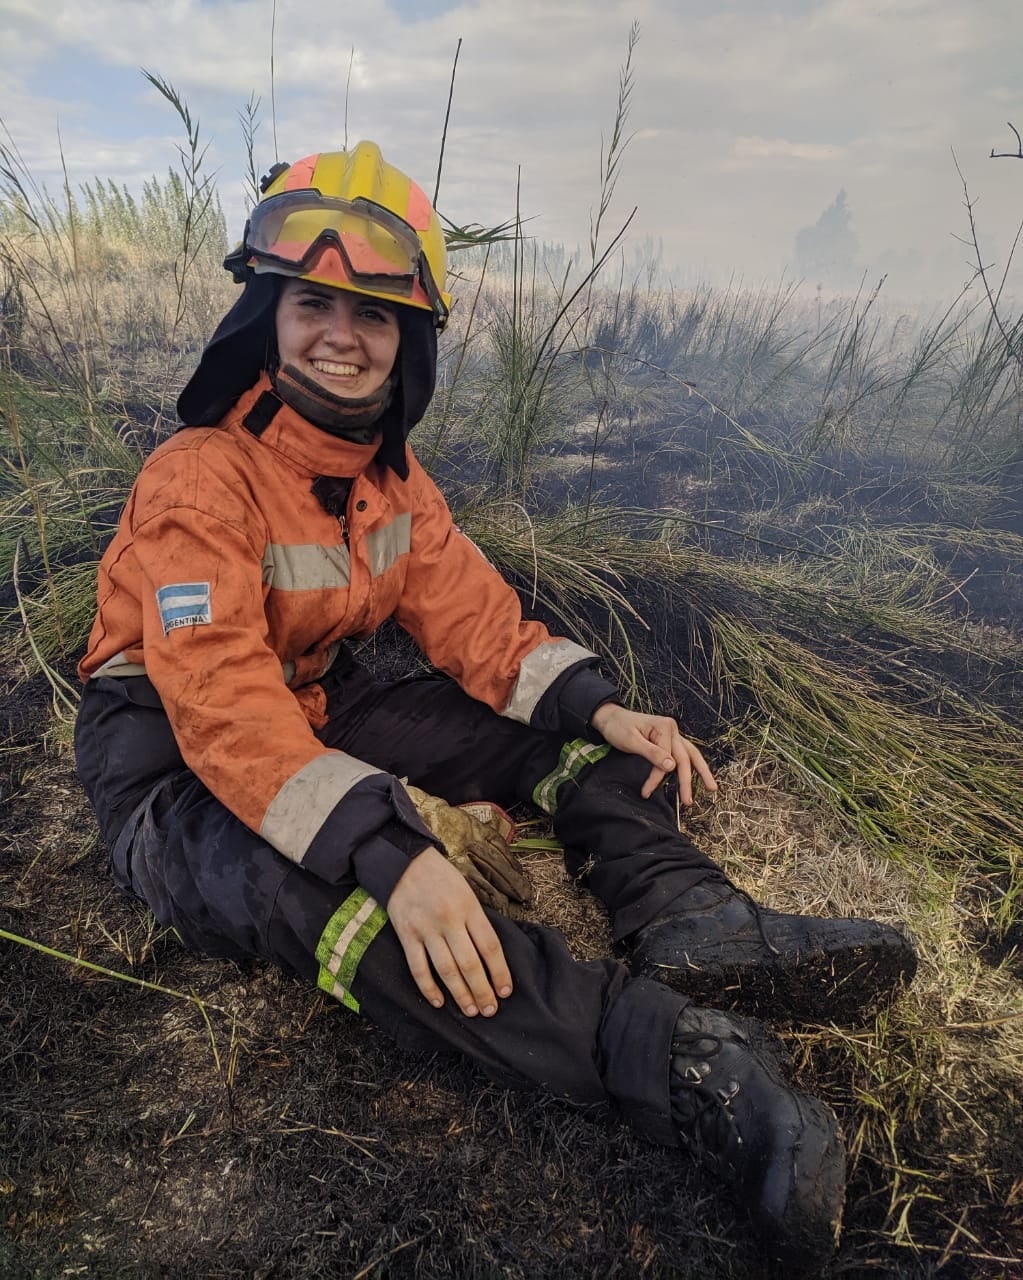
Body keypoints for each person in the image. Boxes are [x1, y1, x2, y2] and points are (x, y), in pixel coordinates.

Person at [73, 142, 916, 1268]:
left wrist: (601, 709)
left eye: (372, 312)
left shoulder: (390, 479)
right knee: (353, 907)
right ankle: (686, 1059)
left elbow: (476, 618)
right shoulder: (197, 474)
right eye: (313, 301)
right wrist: (389, 847)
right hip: (167, 768)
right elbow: (220, 700)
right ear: (268, 314)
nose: (340, 332)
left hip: (310, 716)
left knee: (562, 740)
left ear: (408, 338)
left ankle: (689, 919)